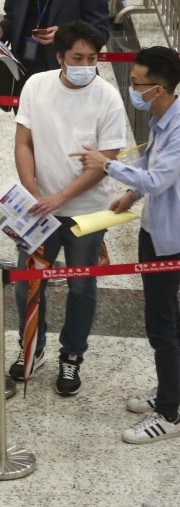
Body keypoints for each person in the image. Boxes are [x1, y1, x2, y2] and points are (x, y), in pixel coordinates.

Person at [9, 20, 126, 394]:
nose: (85, 64)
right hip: (38, 208)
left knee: (81, 285)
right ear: (60, 56)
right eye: (77, 57)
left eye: (92, 58)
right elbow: (24, 142)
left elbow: (104, 159)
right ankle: (33, 346)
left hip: (87, 210)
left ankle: (72, 356)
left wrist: (59, 198)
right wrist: (31, 191)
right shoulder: (36, 86)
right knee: (27, 284)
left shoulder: (107, 96)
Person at [73, 47, 180, 443]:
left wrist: (105, 164)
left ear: (161, 88)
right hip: (156, 228)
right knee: (165, 320)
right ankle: (173, 390)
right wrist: (129, 197)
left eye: (137, 84)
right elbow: (150, 171)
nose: (132, 89)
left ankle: (170, 413)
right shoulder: (162, 118)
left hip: (171, 239)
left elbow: (157, 180)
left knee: (162, 325)